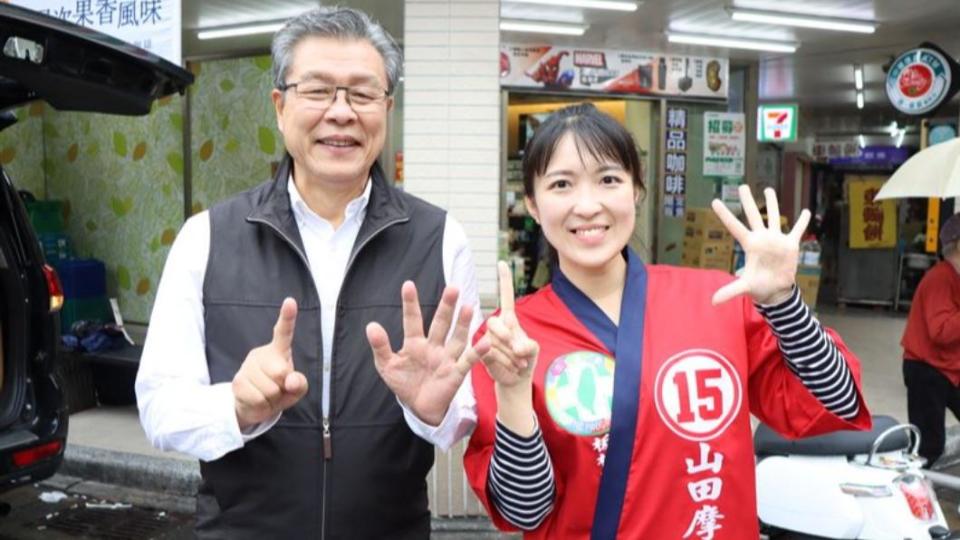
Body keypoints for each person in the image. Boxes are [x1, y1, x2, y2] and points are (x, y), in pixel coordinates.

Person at [135, 7, 488, 539]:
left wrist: (433, 412)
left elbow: (464, 408)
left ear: (387, 108)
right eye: (318, 90)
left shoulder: (440, 240)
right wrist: (235, 404)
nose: (341, 112)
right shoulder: (206, 238)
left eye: (363, 94)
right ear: (280, 107)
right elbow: (159, 407)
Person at [456, 103, 871, 539]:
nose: (587, 205)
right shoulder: (510, 339)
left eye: (609, 179)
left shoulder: (715, 299)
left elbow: (836, 403)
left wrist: (784, 304)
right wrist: (515, 394)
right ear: (533, 206)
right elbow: (525, 511)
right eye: (561, 184)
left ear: (636, 189)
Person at [902, 212, 960, 467]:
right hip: (928, 370)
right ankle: (915, 494)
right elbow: (942, 332)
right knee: (928, 445)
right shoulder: (941, 278)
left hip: (950, 368)